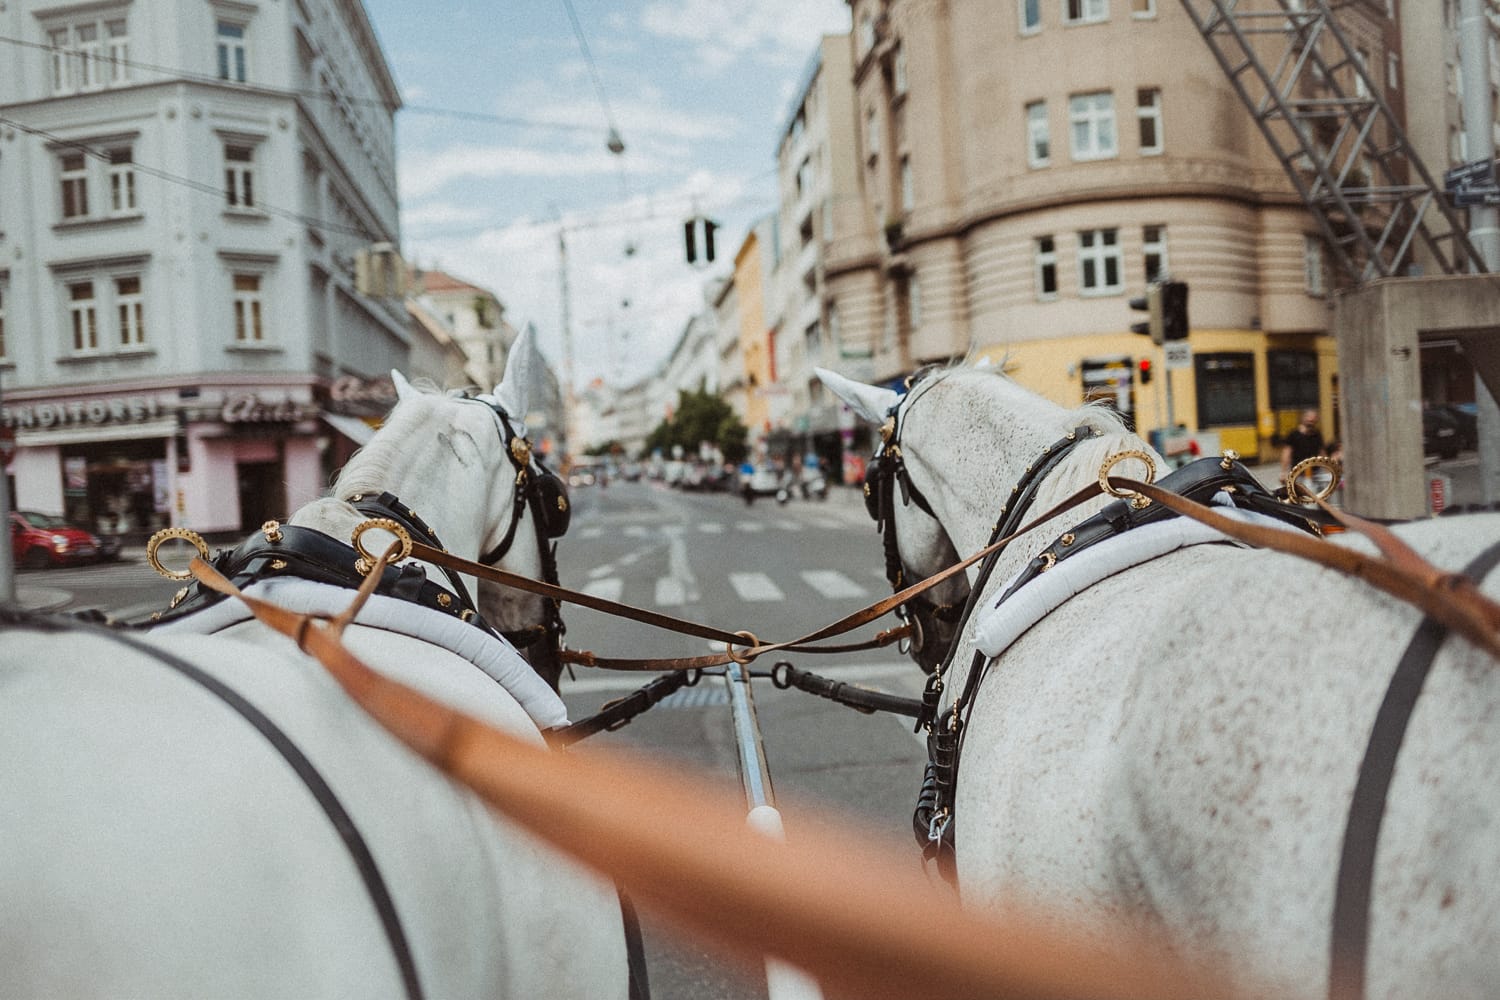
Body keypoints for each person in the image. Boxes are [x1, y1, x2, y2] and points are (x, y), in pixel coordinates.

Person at [1280, 409, 1326, 474]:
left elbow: (1322, 452)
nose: (1311, 421)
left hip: (1315, 472)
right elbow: (1286, 453)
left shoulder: (1317, 434)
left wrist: (1327, 469)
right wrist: (1283, 472)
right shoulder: (1293, 434)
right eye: (1309, 418)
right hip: (1298, 472)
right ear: (1303, 418)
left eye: (1313, 420)